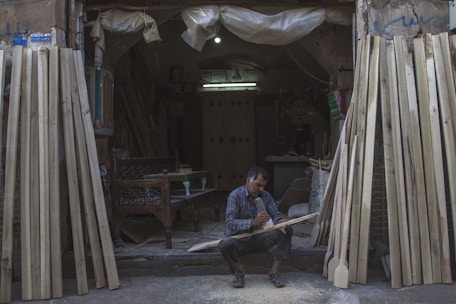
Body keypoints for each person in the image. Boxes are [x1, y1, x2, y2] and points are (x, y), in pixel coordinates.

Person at [218, 166, 293, 288]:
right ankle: (238, 273)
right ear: (248, 180)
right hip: (239, 240)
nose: (261, 189)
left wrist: (280, 221)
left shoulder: (266, 195)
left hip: (260, 238)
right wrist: (253, 222)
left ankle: (275, 272)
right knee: (224, 244)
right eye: (258, 185)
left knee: (287, 229)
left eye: (263, 186)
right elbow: (230, 222)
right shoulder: (235, 195)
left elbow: (275, 214)